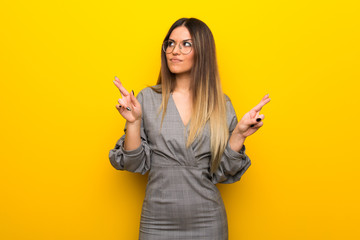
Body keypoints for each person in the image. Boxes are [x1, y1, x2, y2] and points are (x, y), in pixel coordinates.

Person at [109, 17, 271, 240]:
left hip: (208, 220)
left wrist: (239, 134)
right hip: (157, 220)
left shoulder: (220, 105)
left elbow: (223, 173)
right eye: (170, 43)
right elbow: (133, 164)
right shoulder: (147, 99)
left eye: (186, 44)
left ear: (202, 51)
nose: (175, 51)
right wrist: (134, 122)